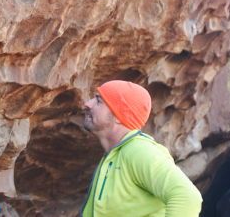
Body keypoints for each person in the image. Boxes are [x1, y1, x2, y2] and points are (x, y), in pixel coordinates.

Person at [81, 80, 202, 216]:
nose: (87, 104)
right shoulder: (114, 156)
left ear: (119, 116)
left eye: (98, 101)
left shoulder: (140, 151)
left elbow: (187, 198)